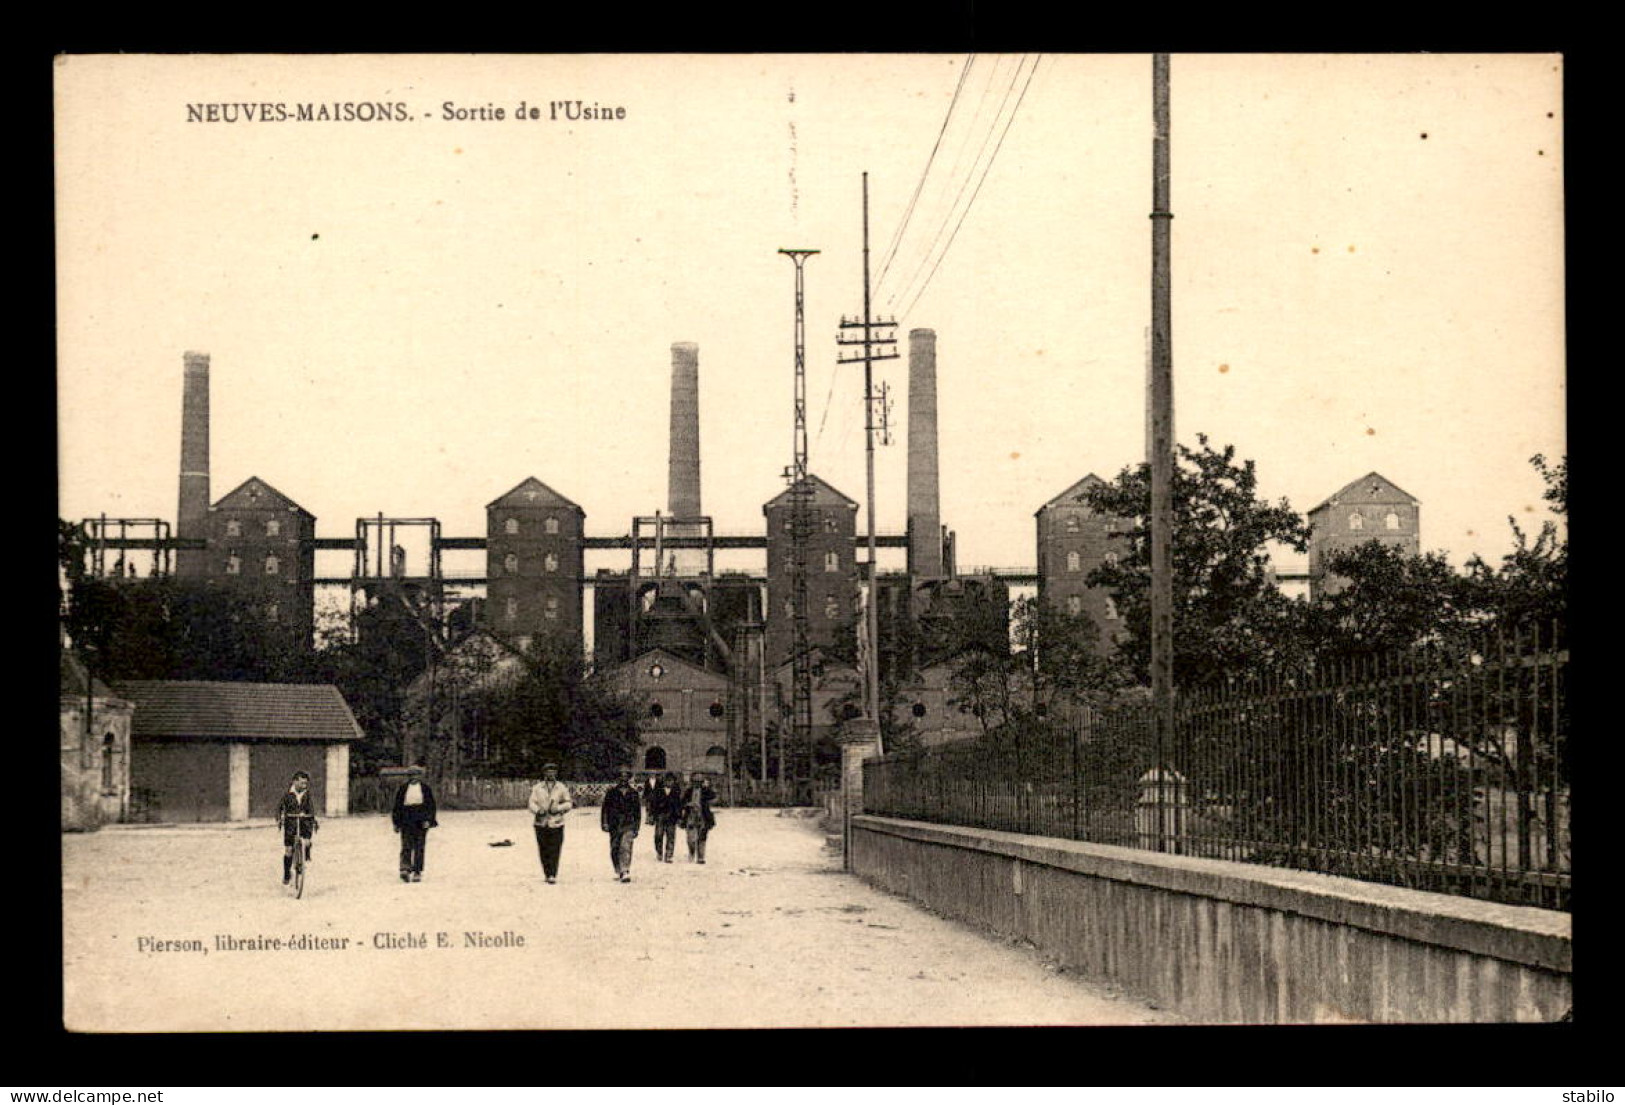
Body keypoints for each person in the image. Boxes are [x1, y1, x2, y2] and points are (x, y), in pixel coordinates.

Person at [391, 763, 438, 883]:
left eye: (416, 775)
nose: (414, 777)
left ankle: (417, 871)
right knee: (406, 845)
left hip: (421, 819)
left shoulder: (425, 789)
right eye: (411, 775)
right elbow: (397, 806)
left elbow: (431, 806)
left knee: (419, 846)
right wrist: (396, 823)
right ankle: (405, 869)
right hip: (406, 819)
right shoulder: (403, 789)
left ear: (420, 776)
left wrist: (428, 820)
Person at [526, 763, 573, 884]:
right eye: (548, 771)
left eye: (553, 771)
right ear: (544, 773)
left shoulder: (561, 787)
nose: (550, 774)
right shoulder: (537, 788)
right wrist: (538, 810)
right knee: (543, 848)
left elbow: (568, 803)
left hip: (556, 822)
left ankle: (553, 873)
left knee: (555, 848)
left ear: (556, 773)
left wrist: (557, 808)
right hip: (541, 823)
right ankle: (547, 872)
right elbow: (531, 803)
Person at [600, 766, 643, 883]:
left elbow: (638, 812)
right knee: (615, 848)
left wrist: (636, 827)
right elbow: (605, 809)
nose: (623, 779)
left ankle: (625, 870)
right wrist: (604, 822)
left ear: (629, 778)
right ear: (618, 778)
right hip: (614, 824)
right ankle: (618, 869)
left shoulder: (633, 793)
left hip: (628, 824)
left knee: (626, 846)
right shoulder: (611, 793)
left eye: (626, 777)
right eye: (621, 776)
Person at [276, 771, 319, 885]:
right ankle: (286, 873)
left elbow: (311, 808)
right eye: (301, 783)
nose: (304, 786)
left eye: (305, 783)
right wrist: (280, 818)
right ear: (295, 782)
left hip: (305, 823)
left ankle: (304, 857)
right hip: (291, 823)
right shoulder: (288, 794)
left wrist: (312, 817)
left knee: (308, 842)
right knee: (289, 850)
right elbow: (280, 808)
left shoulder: (307, 795)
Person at [680, 771, 717, 864]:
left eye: (700, 781)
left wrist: (708, 787)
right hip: (690, 816)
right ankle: (691, 852)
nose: (697, 783)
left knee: (702, 837)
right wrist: (688, 805)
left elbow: (713, 796)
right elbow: (682, 803)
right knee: (691, 838)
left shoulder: (706, 791)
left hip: (702, 816)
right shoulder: (688, 791)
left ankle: (701, 857)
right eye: (695, 781)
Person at [648, 771, 683, 863]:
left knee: (671, 836)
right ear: (664, 781)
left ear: (674, 782)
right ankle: (659, 852)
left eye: (671, 781)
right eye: (667, 780)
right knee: (658, 835)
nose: (669, 782)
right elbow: (653, 803)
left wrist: (679, 817)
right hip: (660, 816)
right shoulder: (658, 790)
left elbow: (679, 805)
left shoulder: (676, 792)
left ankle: (669, 855)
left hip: (672, 817)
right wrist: (651, 815)